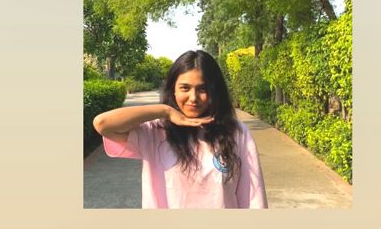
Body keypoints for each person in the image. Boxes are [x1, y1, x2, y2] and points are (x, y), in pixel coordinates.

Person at [92, 50, 268, 210]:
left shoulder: (236, 133)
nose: (193, 98)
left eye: (202, 89)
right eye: (185, 88)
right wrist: (165, 111)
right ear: (173, 89)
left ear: (215, 91)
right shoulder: (155, 131)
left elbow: (254, 197)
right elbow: (103, 123)